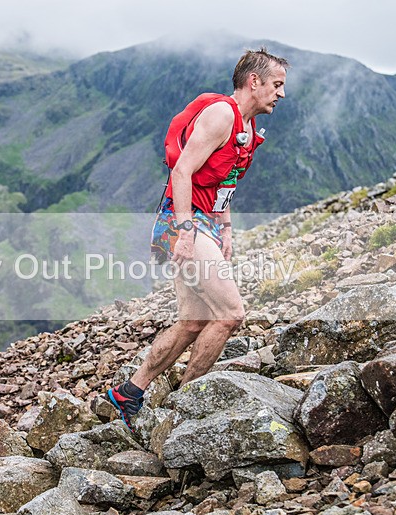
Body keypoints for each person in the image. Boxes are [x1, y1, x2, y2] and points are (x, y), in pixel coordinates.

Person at [106, 48, 288, 432]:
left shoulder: (247, 127)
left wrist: (226, 229)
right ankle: (184, 407)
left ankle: (129, 391)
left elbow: (225, 182)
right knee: (230, 314)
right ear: (254, 81)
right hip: (183, 221)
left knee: (193, 322)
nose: (281, 93)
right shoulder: (222, 114)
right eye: (276, 84)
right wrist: (186, 230)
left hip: (204, 223)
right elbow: (181, 170)